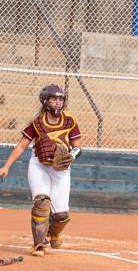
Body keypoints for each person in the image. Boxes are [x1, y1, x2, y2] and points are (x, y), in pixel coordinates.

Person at [0, 84, 82, 257]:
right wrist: (6, 166)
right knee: (42, 203)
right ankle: (39, 244)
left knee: (62, 215)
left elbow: (77, 146)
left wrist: (72, 156)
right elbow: (22, 146)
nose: (58, 102)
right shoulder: (37, 123)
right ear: (45, 101)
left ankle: (54, 234)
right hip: (39, 165)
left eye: (60, 99)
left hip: (60, 169)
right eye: (54, 99)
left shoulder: (69, 121)